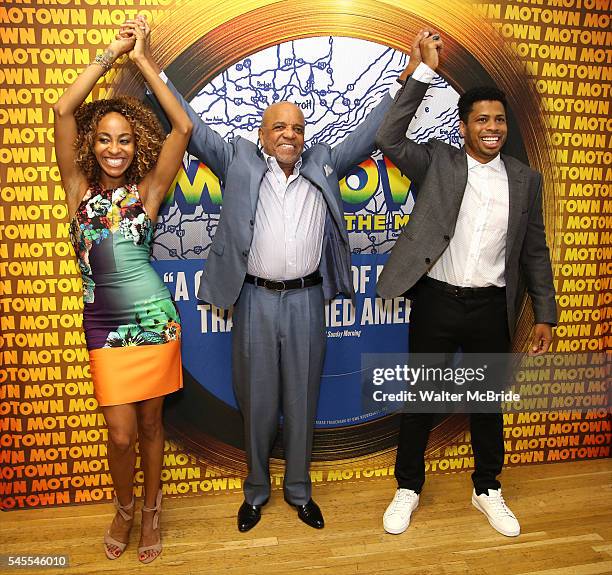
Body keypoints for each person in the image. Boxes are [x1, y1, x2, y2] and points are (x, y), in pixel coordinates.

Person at [142, 37, 414, 531]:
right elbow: (191, 124)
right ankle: (256, 491)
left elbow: (374, 129)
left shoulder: (325, 162)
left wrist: (410, 76)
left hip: (309, 299)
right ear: (263, 135)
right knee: (258, 401)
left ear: (304, 136)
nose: (288, 135)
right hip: (256, 301)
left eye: (296, 128)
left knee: (303, 399)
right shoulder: (238, 160)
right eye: (278, 127)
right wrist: (146, 65)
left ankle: (300, 491)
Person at [376, 30, 556, 537]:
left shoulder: (524, 179)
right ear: (464, 126)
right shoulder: (439, 162)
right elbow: (388, 138)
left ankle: (487, 490)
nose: (493, 127)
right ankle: (407, 488)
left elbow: (534, 250)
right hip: (436, 300)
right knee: (419, 403)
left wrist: (545, 314)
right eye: (482, 119)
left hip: (489, 309)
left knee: (487, 406)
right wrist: (423, 70)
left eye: (499, 119)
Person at [54, 16, 192, 563]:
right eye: (106, 139)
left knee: (153, 423)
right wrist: (110, 53)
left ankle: (153, 509)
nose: (115, 148)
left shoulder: (148, 193)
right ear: (94, 143)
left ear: (137, 146)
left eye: (125, 140)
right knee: (121, 435)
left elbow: (181, 128)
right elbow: (62, 111)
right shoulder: (77, 189)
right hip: (104, 326)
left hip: (155, 320)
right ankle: (124, 505)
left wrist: (142, 61)